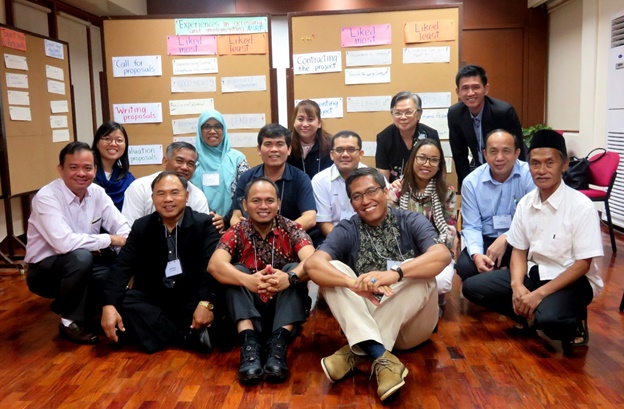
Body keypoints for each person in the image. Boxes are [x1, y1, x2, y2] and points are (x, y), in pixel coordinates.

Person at [304, 168, 450, 401]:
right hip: (367, 315)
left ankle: (356, 351)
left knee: (419, 270)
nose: (366, 200)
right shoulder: (348, 228)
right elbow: (312, 265)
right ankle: (380, 355)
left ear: (385, 191)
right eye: (357, 196)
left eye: (372, 191)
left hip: (412, 327)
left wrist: (396, 274)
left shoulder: (410, 219)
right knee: (334, 272)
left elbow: (442, 255)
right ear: (351, 202)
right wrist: (352, 283)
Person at [462, 129, 604, 350]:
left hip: (571, 280)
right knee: (472, 287)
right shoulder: (526, 203)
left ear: (564, 165)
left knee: (551, 323)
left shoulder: (581, 206)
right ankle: (529, 313)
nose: (542, 170)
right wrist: (517, 286)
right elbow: (518, 250)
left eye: (550, 163)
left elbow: (582, 265)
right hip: (536, 273)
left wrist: (538, 295)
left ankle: (573, 318)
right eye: (535, 164)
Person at [208, 178, 315, 384]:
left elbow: (313, 262)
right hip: (248, 313)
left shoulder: (292, 228)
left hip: (284, 313)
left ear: (279, 203)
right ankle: (249, 347)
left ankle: (278, 346)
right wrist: (247, 280)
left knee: (294, 270)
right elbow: (215, 265)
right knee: (235, 272)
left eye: (269, 200)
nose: (263, 206)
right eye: (256, 201)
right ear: (245, 205)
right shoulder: (237, 231)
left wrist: (288, 278)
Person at [101, 172, 221, 353]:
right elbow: (122, 267)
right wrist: (108, 305)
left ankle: (157, 332)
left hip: (191, 298)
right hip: (156, 298)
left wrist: (205, 304)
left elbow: (211, 270)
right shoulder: (142, 226)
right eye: (161, 193)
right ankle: (185, 336)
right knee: (123, 300)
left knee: (220, 301)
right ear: (152, 198)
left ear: (186, 196)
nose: (168, 199)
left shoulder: (205, 224)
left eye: (175, 193)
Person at [25, 141, 130, 344]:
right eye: (73, 167)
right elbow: (64, 243)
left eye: (87, 168)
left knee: (111, 276)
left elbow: (121, 226)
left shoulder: (97, 193)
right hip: (45, 271)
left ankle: (67, 304)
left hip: (84, 264)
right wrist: (109, 239)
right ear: (61, 169)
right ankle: (69, 322)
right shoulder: (46, 197)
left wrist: (124, 241)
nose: (81, 173)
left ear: (95, 170)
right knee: (80, 258)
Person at [456, 129, 535, 282]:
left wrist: (506, 237)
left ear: (517, 153)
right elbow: (472, 226)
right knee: (465, 267)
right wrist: (477, 255)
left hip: (520, 239)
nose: (499, 158)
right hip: (486, 238)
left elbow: (534, 219)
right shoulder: (471, 182)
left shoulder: (529, 175)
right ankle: (503, 279)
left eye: (506, 151)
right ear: (485, 154)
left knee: (534, 265)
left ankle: (504, 282)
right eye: (493, 151)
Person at [388, 138, 457, 300]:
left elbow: (450, 229)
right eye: (422, 158)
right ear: (413, 160)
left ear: (439, 165)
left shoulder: (447, 192)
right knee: (394, 277)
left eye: (434, 160)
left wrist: (430, 252)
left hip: (435, 251)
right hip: (402, 251)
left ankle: (431, 300)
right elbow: (389, 227)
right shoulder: (398, 190)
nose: (427, 164)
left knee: (440, 282)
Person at [230, 124, 317, 239]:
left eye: (280, 144)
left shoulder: (301, 178)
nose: (274, 149)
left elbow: (310, 218)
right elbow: (235, 216)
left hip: (290, 240)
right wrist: (250, 232)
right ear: (259, 149)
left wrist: (277, 234)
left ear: (289, 149)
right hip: (252, 240)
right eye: (268, 144)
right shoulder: (247, 177)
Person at [447, 65, 525, 189]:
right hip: (480, 171)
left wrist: (520, 182)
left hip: (507, 171)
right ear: (458, 92)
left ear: (486, 89)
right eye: (465, 88)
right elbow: (459, 155)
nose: (470, 93)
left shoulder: (504, 112)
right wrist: (466, 187)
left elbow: (518, 150)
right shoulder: (455, 114)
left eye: (476, 87)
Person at [122, 142, 213, 227]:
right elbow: (130, 229)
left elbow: (201, 231)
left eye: (190, 164)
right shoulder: (139, 188)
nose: (185, 167)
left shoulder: (198, 195)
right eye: (179, 161)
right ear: (165, 161)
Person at [191, 109, 249, 229]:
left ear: (223, 130)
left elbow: (245, 193)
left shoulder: (237, 158)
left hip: (232, 223)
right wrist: (205, 219)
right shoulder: (191, 158)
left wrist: (225, 220)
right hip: (196, 225)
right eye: (206, 126)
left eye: (217, 126)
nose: (212, 131)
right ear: (200, 131)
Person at [312, 130, 367, 237]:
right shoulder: (320, 181)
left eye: (351, 150)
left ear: (361, 154)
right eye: (339, 150)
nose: (345, 155)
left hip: (368, 237)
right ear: (332, 155)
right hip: (334, 237)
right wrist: (345, 243)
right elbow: (324, 223)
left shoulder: (373, 178)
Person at [375, 91, 439, 183]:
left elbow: (439, 166)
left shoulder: (430, 134)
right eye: (398, 113)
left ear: (419, 114)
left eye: (408, 112)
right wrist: (390, 188)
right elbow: (383, 175)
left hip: (426, 188)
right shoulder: (384, 137)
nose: (403, 117)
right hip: (396, 189)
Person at [92, 121, 135, 210]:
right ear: (97, 143)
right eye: (107, 139)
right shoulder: (87, 176)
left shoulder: (128, 180)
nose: (113, 144)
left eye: (119, 140)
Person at [287, 99, 333, 180]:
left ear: (319, 123)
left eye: (310, 119)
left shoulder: (331, 145)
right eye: (300, 119)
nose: (305, 124)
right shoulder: (286, 143)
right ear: (294, 122)